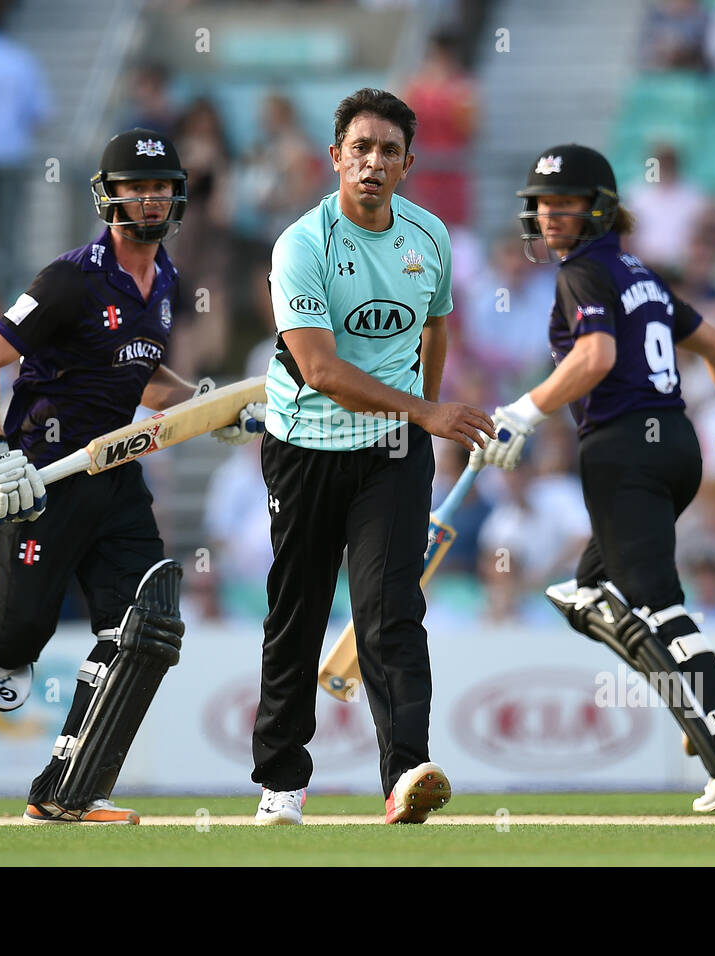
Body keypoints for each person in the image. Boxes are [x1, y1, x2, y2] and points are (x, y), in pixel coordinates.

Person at [0, 127, 264, 825]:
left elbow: (144, 378)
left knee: (148, 624)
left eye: (161, 188)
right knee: (12, 646)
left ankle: (66, 791)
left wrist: (208, 406)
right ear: (109, 196)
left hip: (116, 470)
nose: (151, 200)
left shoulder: (167, 282)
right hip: (43, 475)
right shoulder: (69, 279)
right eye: (137, 188)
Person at [477, 143, 715, 812]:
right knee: (585, 593)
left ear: (600, 209)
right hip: (675, 447)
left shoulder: (583, 271)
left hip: (623, 451)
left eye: (566, 203)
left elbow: (595, 356)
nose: (551, 216)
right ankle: (695, 715)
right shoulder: (635, 268)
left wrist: (524, 411)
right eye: (543, 204)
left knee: (655, 600)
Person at [251, 88, 494, 825]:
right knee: (298, 611)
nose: (373, 163)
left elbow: (436, 326)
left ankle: (406, 772)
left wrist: (421, 414)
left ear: (408, 164)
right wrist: (428, 411)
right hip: (304, 445)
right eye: (360, 148)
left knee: (391, 611)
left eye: (389, 151)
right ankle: (282, 780)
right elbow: (320, 369)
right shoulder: (301, 244)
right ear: (336, 157)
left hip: (391, 450)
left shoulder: (430, 237)